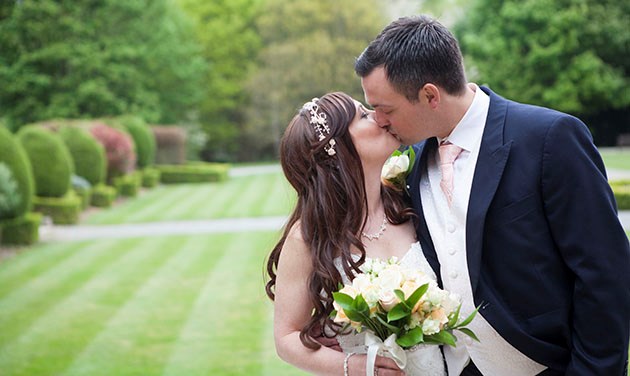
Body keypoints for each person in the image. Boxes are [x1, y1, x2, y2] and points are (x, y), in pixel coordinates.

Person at [353, 14, 630, 376]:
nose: (378, 120)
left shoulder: (550, 138)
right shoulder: (414, 162)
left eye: (385, 109)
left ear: (430, 95)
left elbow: (605, 274)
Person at [266, 92, 448, 375]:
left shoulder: (412, 202)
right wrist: (356, 367)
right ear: (337, 149)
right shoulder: (308, 238)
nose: (379, 115)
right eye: (363, 115)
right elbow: (286, 338)